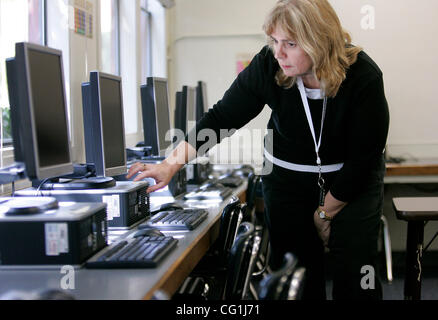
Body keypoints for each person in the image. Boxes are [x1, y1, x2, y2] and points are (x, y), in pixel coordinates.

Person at [127, 0, 389, 300]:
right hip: (287, 179)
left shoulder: (364, 76)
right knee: (296, 275)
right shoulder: (268, 65)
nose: (279, 52)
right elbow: (222, 117)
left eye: (290, 43)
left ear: (319, 40)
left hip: (351, 180)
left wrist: (325, 213)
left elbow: (364, 158)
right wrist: (170, 164)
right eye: (274, 41)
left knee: (356, 274)